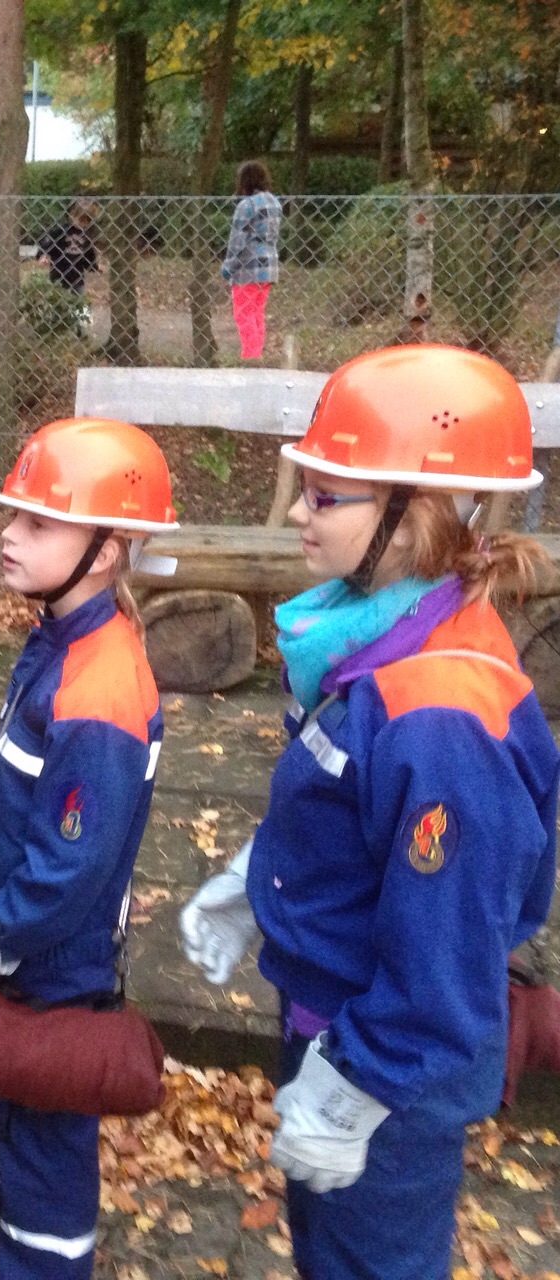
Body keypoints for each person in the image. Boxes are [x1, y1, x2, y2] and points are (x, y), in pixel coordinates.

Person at [179, 344, 559, 1279]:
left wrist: (355, 1087)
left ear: (412, 515)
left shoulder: (440, 715)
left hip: (389, 1078)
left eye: (324, 496)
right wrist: (259, 876)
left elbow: (446, 947)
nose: (298, 511)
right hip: (339, 1026)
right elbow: (352, 809)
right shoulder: (385, 636)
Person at [0, 416, 178, 1279]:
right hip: (18, 940)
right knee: (5, 1099)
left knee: (46, 1140)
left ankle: (42, 1263)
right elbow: (8, 767)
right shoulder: (59, 639)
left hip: (54, 959)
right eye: (14, 515)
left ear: (105, 552)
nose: (9, 534)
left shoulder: (101, 685)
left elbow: (70, 870)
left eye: (37, 522)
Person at [220, 161, 281, 360]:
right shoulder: (274, 202)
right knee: (257, 312)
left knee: (243, 313)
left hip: (248, 267)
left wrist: (228, 267)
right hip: (269, 265)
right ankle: (256, 353)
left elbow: (237, 241)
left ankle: (250, 355)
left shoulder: (246, 206)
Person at [36, 199, 99, 294]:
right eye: (80, 220)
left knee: (78, 297)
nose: (81, 224)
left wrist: (93, 266)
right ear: (73, 215)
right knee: (57, 297)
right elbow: (47, 243)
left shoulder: (86, 234)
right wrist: (42, 255)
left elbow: (88, 252)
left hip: (77, 277)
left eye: (86, 222)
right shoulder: (61, 230)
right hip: (58, 274)